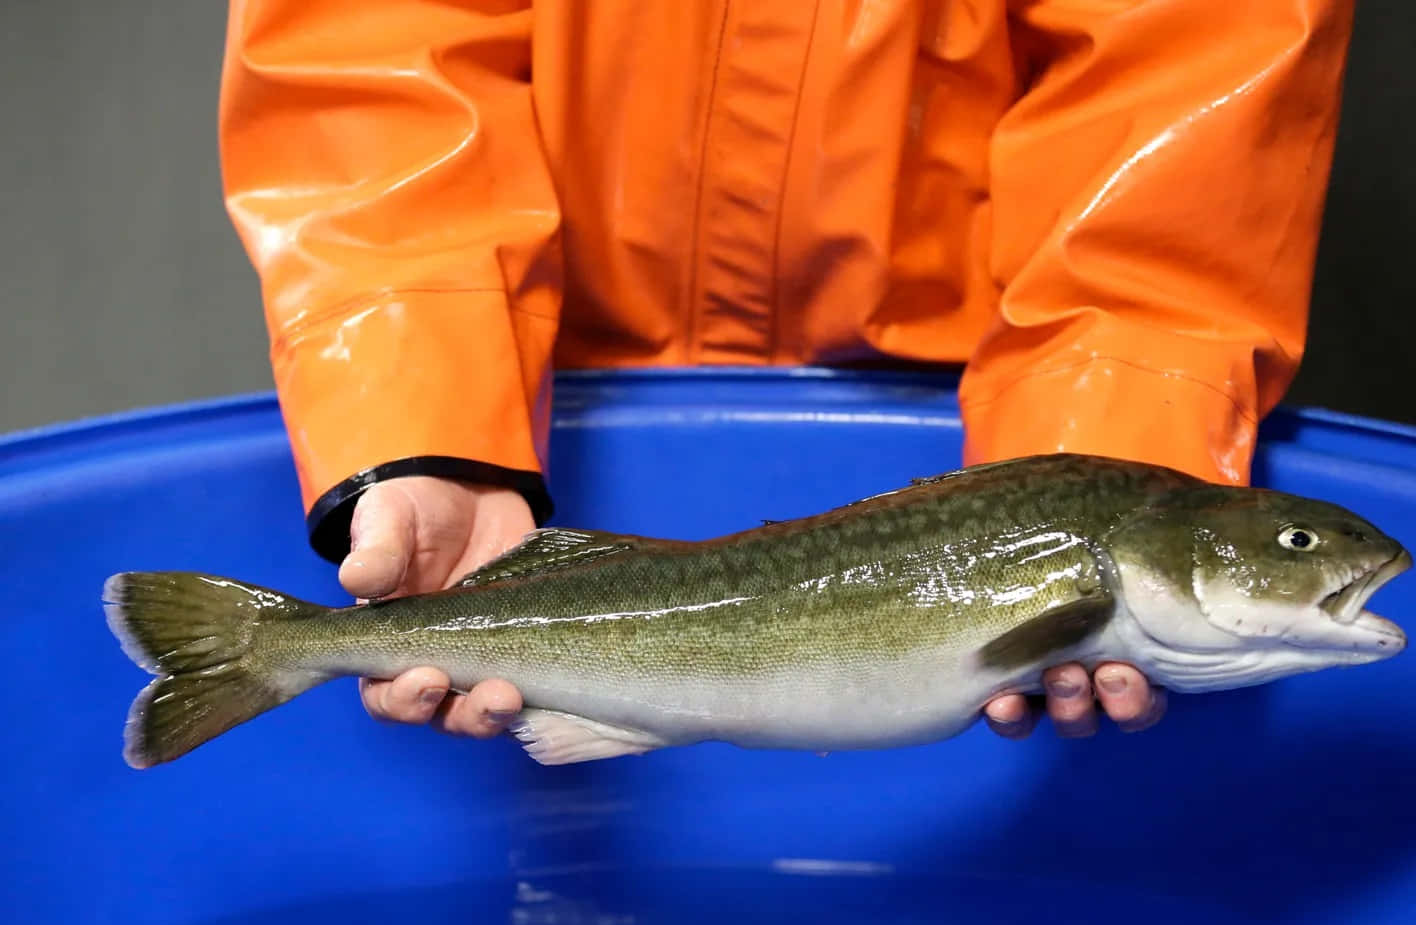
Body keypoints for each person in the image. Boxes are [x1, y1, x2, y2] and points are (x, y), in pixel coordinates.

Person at [216, 0, 1352, 746]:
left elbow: (1180, 99)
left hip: (964, 394)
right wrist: (429, 418)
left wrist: (1098, 458)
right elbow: (366, 61)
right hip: (539, 379)